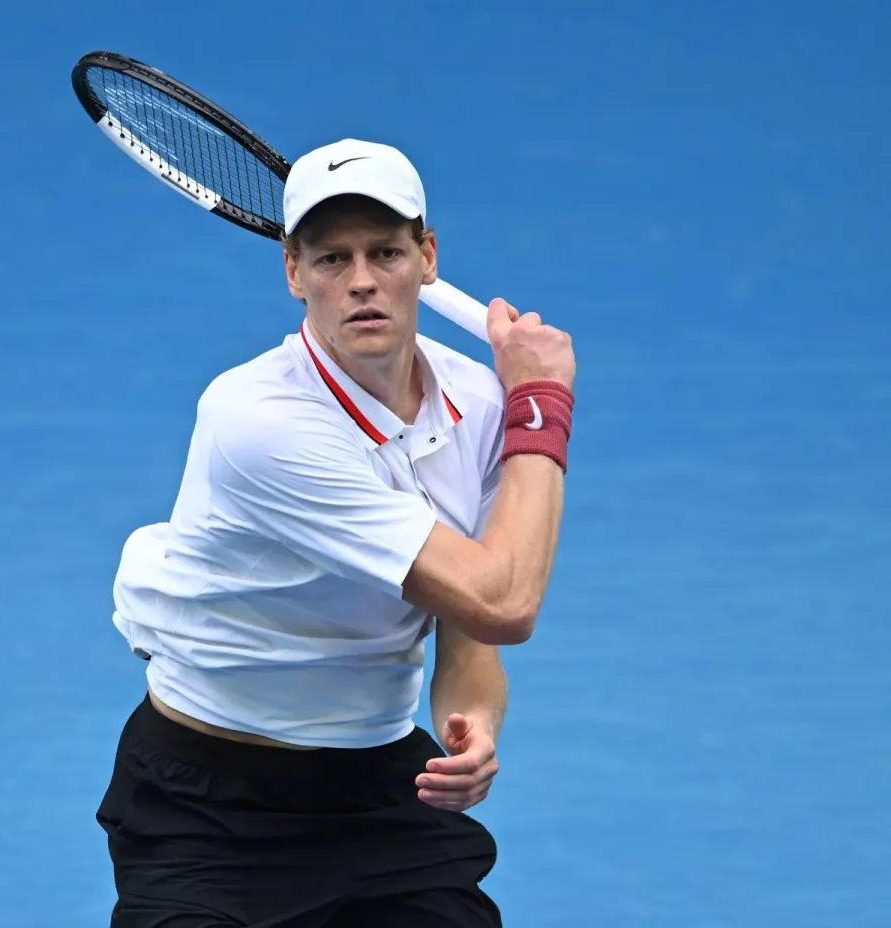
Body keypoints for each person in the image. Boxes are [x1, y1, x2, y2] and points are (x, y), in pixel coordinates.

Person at [97, 137, 577, 927]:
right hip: (205, 805)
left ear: (427, 256)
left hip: (373, 790)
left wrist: (475, 721)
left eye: (385, 252)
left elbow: (471, 631)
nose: (361, 282)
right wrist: (542, 405)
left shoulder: (482, 407)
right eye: (330, 259)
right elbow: (503, 601)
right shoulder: (259, 421)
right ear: (293, 272)